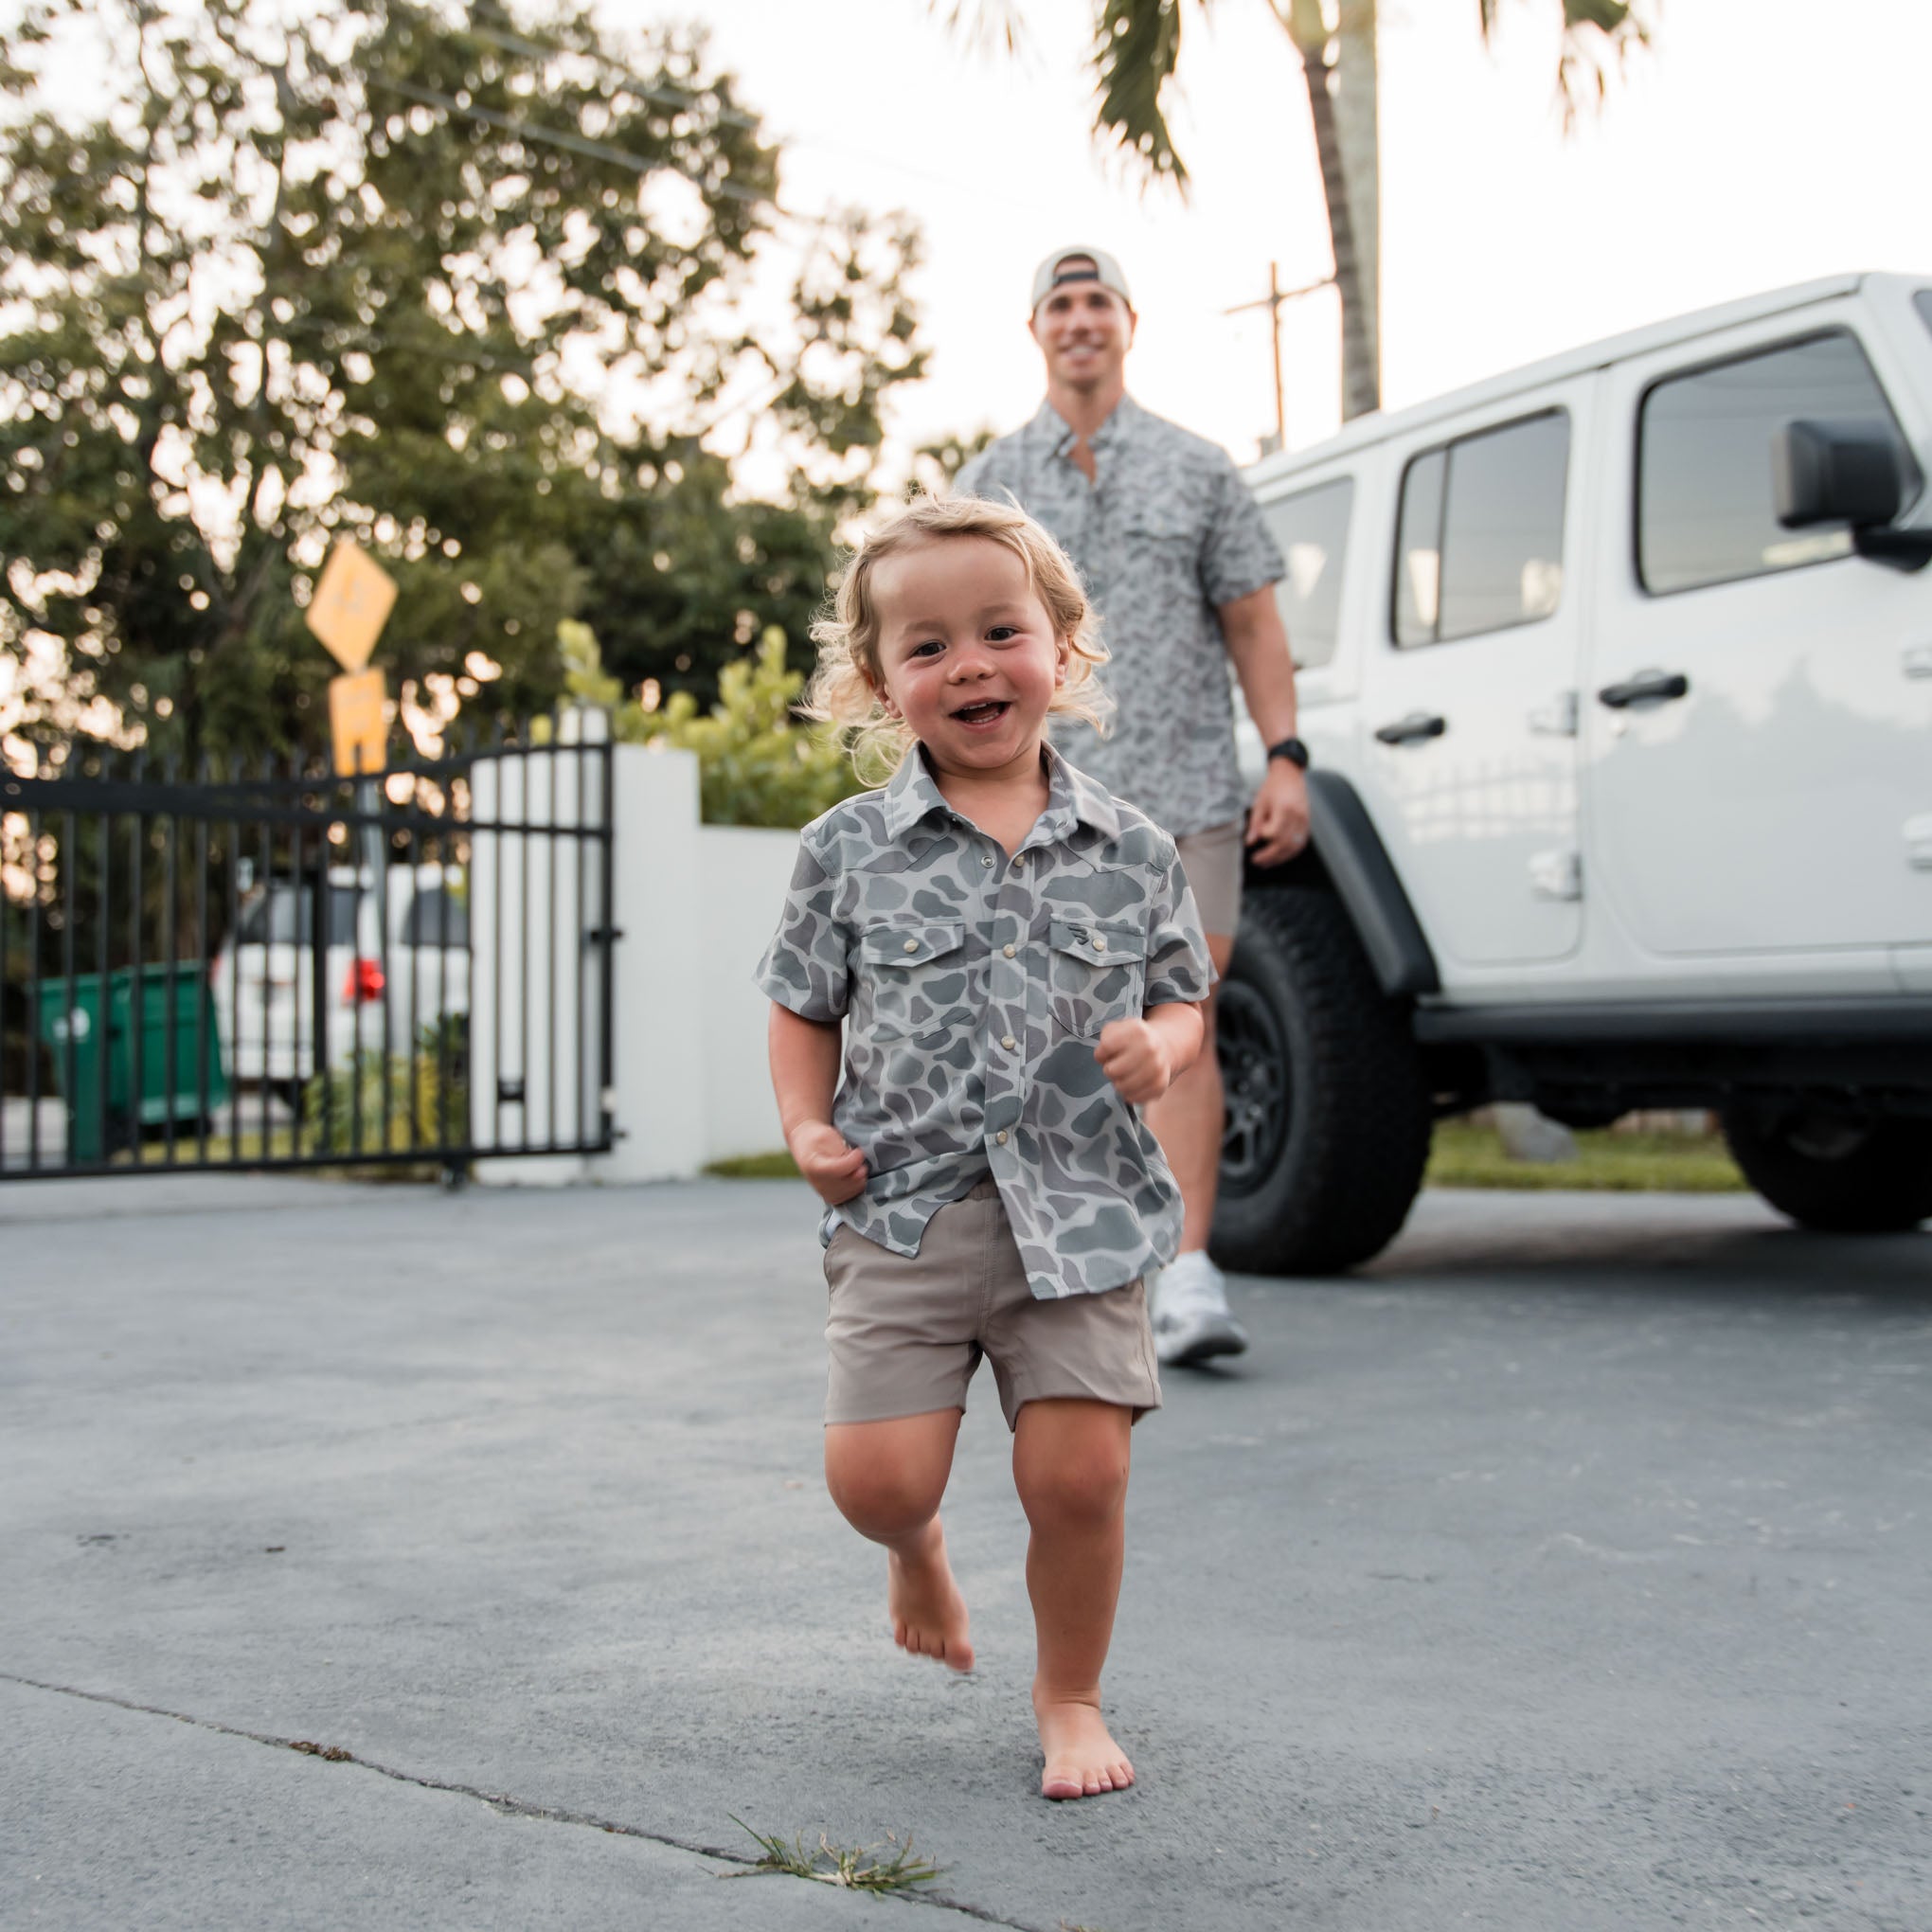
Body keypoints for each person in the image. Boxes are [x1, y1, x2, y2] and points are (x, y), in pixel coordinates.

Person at [757, 494, 1213, 1801]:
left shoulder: (1133, 851)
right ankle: (916, 1549)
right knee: (875, 1481)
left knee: (1082, 1476)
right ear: (877, 681)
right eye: (928, 645)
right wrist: (806, 1125)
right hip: (905, 1207)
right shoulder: (844, 853)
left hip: (1082, 1207)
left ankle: (1069, 1694)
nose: (969, 664)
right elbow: (801, 1006)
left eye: (1001, 631)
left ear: (1062, 649)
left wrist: (1164, 1047)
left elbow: (1185, 995)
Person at [956, 245, 1310, 1368]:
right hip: (1035, 803)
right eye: (1059, 304)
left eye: (1097, 301)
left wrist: (1286, 759)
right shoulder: (988, 481)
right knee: (1044, 1029)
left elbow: (1253, 623)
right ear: (1036, 331)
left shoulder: (1199, 469)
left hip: (1186, 797)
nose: (1079, 320)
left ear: (1127, 323)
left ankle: (1189, 1271)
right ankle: (1062, 1254)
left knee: (1181, 1015)